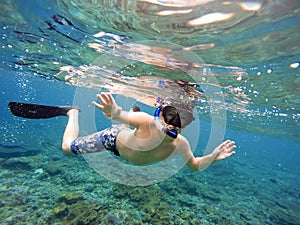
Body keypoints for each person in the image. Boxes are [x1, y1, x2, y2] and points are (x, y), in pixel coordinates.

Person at [61, 92, 236, 171]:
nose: (173, 124)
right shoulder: (147, 121)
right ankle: (72, 112)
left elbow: (194, 165)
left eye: (183, 119)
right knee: (68, 148)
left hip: (128, 145)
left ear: (188, 123)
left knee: (127, 128)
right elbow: (118, 114)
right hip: (112, 140)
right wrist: (112, 112)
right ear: (159, 113)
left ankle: (129, 123)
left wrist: (212, 158)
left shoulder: (181, 144)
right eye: (170, 116)